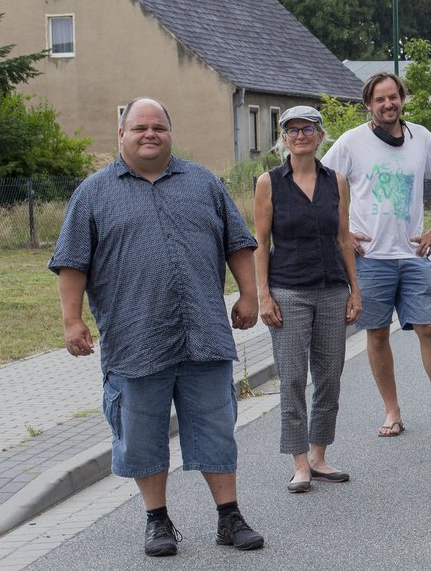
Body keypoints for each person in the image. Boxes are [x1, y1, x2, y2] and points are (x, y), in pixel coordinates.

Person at [51, 97, 265, 556]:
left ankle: (229, 516)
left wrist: (250, 295)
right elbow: (71, 262)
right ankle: (157, 521)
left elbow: (239, 244)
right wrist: (72, 320)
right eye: (139, 128)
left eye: (158, 127)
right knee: (141, 432)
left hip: (204, 333)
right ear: (122, 134)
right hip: (134, 337)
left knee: (216, 427)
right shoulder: (93, 192)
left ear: (170, 132)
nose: (150, 134)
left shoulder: (204, 183)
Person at [321, 72, 431, 438]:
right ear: (368, 106)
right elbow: (320, 185)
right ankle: (392, 411)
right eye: (380, 100)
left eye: (393, 97)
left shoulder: (420, 137)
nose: (388, 104)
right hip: (370, 256)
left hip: (411, 253)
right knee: (376, 334)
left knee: (430, 328)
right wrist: (339, 231)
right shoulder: (350, 142)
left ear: (402, 99)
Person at [253, 106, 361, 493]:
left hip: (332, 289)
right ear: (283, 138)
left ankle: (319, 456)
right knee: (294, 377)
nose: (301, 135)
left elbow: (344, 238)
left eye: (308, 128)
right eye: (292, 129)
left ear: (320, 135)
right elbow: (261, 244)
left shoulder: (337, 180)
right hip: (288, 290)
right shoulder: (269, 182)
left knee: (330, 377)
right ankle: (299, 463)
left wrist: (354, 290)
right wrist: (264, 295)